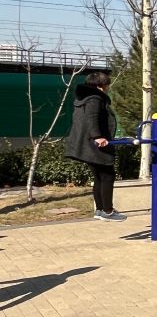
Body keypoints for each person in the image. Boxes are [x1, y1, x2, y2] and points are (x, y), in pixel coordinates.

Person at [64, 71, 126, 222]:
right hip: (94, 143)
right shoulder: (95, 98)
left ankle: (99, 210)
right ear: (101, 85)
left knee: (99, 176)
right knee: (108, 175)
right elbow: (91, 118)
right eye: (107, 85)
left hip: (86, 143)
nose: (108, 88)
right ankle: (108, 211)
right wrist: (98, 137)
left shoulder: (83, 98)